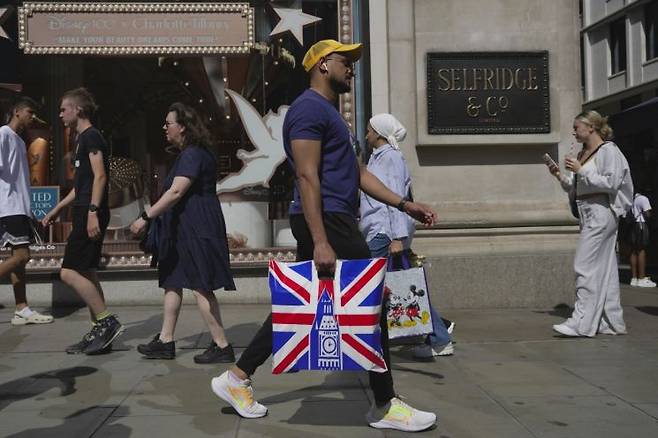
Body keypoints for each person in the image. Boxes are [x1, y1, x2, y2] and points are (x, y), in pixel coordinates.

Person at [211, 39, 438, 432]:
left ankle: (237, 377)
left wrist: (404, 204)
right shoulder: (307, 110)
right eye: (344, 61)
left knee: (306, 304)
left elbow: (358, 173)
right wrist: (320, 239)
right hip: (327, 219)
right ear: (321, 66)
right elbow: (305, 174)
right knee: (373, 301)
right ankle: (384, 404)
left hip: (331, 217)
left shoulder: (329, 114)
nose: (350, 67)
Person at [130, 103, 236, 363]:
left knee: (201, 285)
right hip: (184, 228)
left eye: (169, 123)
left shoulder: (192, 155)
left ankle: (222, 345)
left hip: (196, 227)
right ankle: (166, 340)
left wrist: (146, 216)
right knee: (173, 281)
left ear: (184, 127)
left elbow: (177, 191)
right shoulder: (192, 154)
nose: (164, 128)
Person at [358, 113, 454, 358]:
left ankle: (439, 336)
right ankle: (440, 333)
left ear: (379, 132)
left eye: (369, 129)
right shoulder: (379, 157)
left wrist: (398, 239)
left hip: (384, 233)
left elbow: (396, 198)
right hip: (379, 231)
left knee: (387, 286)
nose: (367, 133)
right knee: (401, 286)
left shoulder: (389, 158)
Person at [42, 88, 123, 354]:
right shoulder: (81, 140)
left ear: (77, 109)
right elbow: (82, 185)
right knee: (87, 271)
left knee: (68, 272)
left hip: (91, 211)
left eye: (64, 109)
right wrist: (57, 209)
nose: (60, 114)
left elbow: (100, 177)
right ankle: (100, 333)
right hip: (84, 208)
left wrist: (91, 212)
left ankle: (106, 321)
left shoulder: (91, 137)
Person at [545, 110, 632, 337]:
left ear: (591, 127)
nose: (574, 131)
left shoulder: (608, 151)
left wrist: (580, 170)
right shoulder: (585, 153)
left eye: (577, 127)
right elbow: (576, 189)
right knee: (605, 268)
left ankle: (580, 321)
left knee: (583, 265)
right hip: (588, 213)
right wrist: (559, 175)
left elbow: (612, 183)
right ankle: (610, 321)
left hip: (601, 213)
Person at [1, 96, 54, 326]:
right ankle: (22, 308)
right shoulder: (3, 134)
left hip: (19, 207)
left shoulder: (21, 142)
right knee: (23, 256)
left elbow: (21, 179)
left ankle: (21, 308)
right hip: (8, 206)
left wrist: (29, 209)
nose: (32, 117)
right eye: (29, 112)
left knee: (19, 260)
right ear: (17, 111)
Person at [628, 192, 655, 287]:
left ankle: (634, 278)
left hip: (633, 226)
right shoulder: (643, 198)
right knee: (641, 250)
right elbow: (647, 214)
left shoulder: (631, 199)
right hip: (641, 225)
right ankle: (642, 278)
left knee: (634, 251)